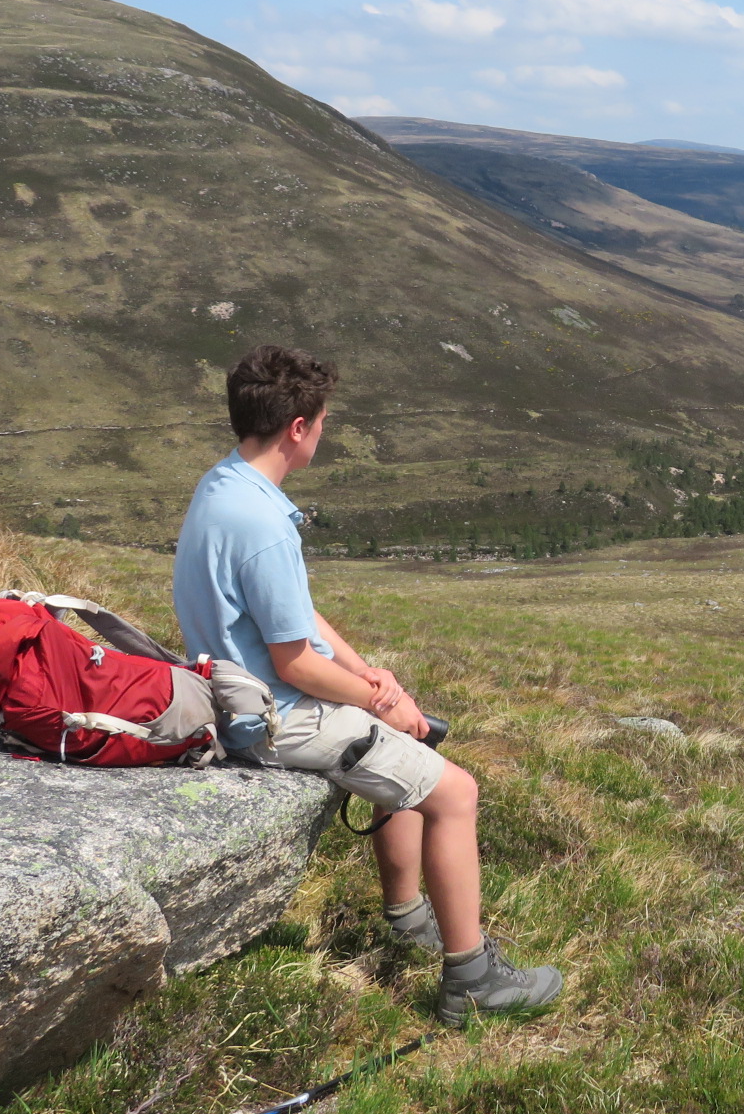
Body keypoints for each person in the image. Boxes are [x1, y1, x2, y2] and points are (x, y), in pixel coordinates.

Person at [172, 343, 562, 1025]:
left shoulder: (224, 486)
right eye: (322, 420)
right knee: (456, 794)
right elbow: (294, 665)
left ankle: (410, 916)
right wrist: (385, 704)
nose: (324, 431)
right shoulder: (264, 524)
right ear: (299, 427)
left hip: (238, 696)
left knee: (402, 748)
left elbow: (294, 616)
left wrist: (365, 675)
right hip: (278, 717)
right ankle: (470, 981)